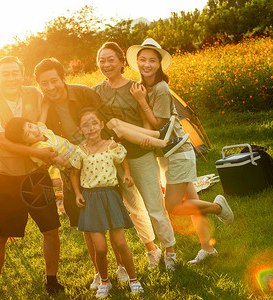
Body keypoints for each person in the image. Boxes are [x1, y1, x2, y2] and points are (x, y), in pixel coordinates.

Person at [34, 58, 163, 287]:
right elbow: (41, 134)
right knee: (88, 221)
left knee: (121, 213)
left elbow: (106, 122)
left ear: (63, 78)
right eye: (44, 83)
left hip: (101, 163)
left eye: (54, 80)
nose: (51, 87)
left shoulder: (84, 94)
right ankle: (100, 272)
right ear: (39, 85)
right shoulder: (44, 106)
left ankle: (131, 261)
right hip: (72, 168)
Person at [126, 38, 234, 264]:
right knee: (192, 202)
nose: (147, 64)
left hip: (178, 153)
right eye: (143, 60)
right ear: (137, 62)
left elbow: (159, 124)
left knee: (172, 207)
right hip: (168, 154)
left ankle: (217, 206)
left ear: (159, 64)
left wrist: (140, 100)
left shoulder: (162, 88)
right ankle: (208, 248)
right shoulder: (143, 87)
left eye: (152, 61)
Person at [0, 56, 64, 300]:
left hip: (37, 177)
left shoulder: (35, 94)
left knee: (51, 230)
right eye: (5, 74)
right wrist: (37, 152)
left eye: (15, 72)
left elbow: (45, 117)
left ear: (21, 74)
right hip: (5, 177)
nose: (11, 77)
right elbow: (0, 141)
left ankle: (52, 280)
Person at [94, 42, 178, 271]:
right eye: (102, 60)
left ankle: (170, 251)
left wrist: (144, 138)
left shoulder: (135, 87)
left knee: (154, 205)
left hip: (140, 153)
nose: (106, 64)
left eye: (111, 59)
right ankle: (152, 250)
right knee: (134, 208)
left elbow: (146, 117)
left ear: (122, 62)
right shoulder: (97, 91)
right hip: (117, 159)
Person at [70, 109, 144, 298]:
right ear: (80, 129)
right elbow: (74, 173)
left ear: (101, 125)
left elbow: (123, 161)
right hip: (91, 198)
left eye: (94, 123)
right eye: (85, 125)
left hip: (110, 195)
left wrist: (127, 174)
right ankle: (105, 281)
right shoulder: (80, 151)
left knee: (120, 243)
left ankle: (133, 279)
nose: (91, 128)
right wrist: (78, 193)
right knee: (100, 248)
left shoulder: (112, 146)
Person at [4, 117, 74, 169]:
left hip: (76, 151)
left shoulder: (41, 129)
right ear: (26, 143)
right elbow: (65, 163)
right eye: (28, 134)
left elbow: (44, 111)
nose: (34, 131)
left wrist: (47, 102)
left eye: (30, 126)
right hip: (73, 164)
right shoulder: (39, 147)